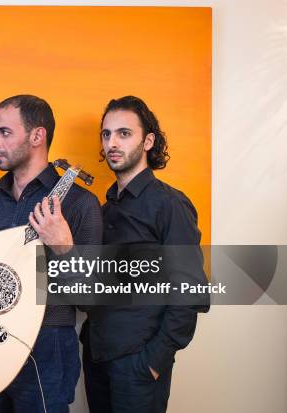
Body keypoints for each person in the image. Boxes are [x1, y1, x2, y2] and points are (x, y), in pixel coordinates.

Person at [0, 95, 103, 413]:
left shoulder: (81, 204)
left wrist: (63, 246)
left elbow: (90, 299)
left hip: (47, 345)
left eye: (4, 132)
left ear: (37, 136)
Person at [81, 95, 210, 413]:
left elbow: (190, 291)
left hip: (138, 365)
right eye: (106, 134)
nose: (112, 142)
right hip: (97, 358)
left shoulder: (169, 204)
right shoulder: (103, 209)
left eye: (124, 133)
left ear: (148, 141)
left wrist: (154, 361)